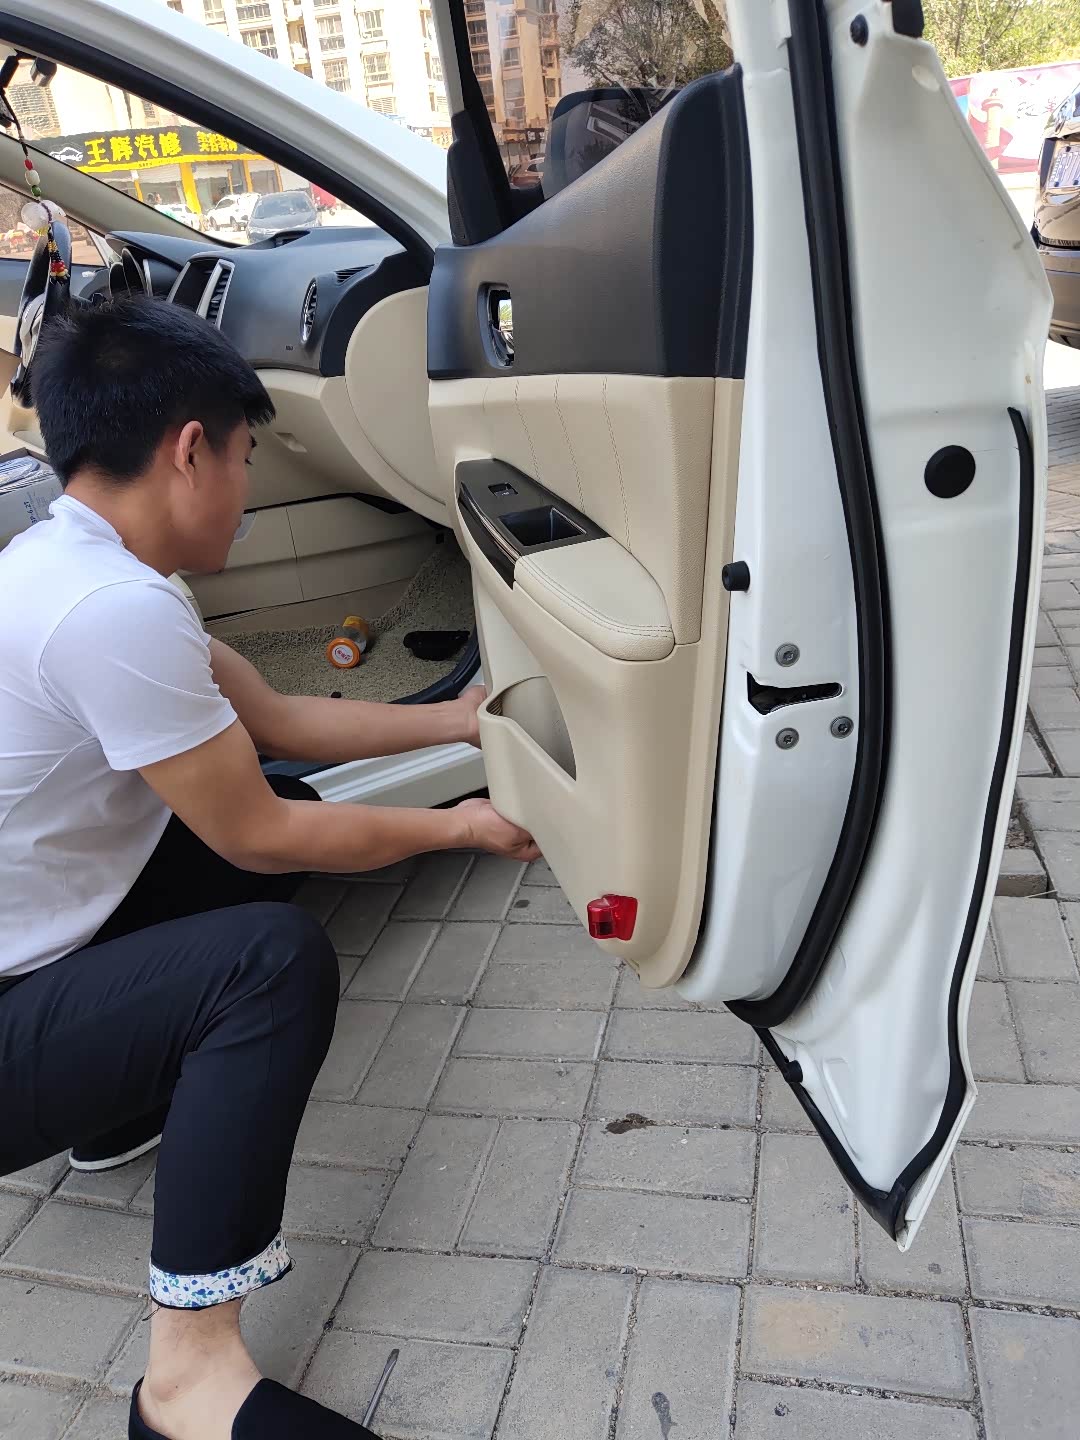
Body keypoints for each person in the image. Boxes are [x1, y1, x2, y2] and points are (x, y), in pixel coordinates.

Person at [0, 298, 539, 1440]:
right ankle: (189, 1377)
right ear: (189, 448)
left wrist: (461, 721)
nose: (247, 491)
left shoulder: (72, 558)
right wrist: (462, 827)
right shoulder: (109, 610)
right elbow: (262, 839)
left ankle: (112, 1110)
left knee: (268, 807)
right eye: (247, 457)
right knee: (267, 961)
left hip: (31, 952)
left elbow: (280, 720)